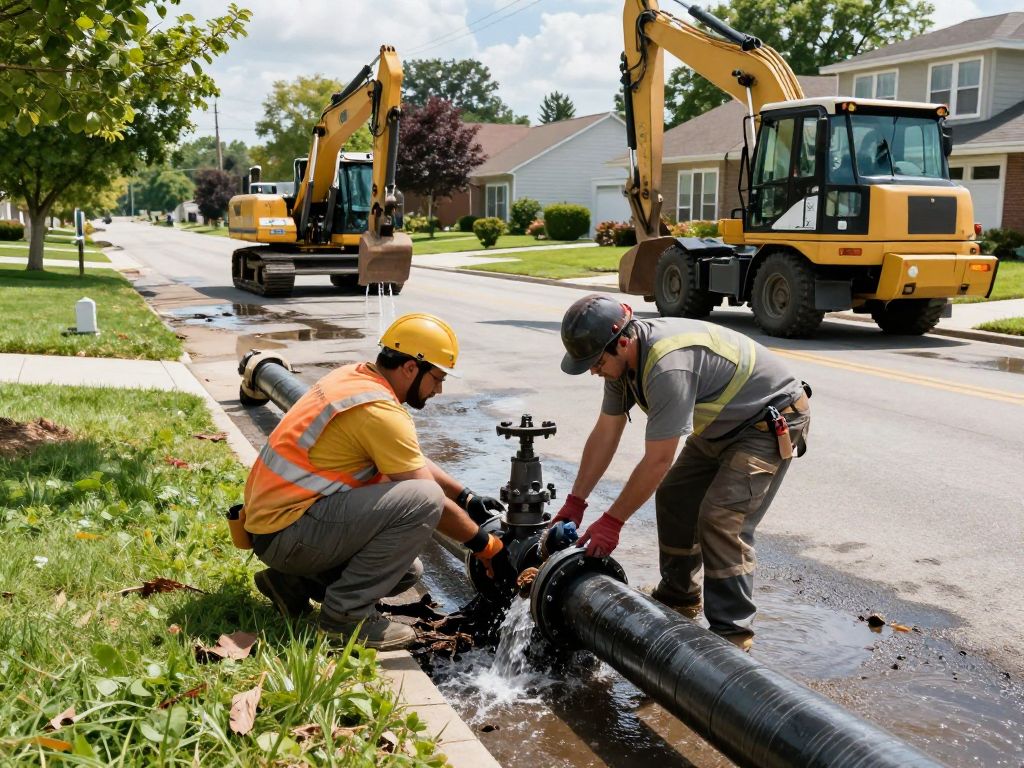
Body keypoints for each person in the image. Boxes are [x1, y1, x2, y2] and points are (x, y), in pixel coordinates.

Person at [554, 294, 811, 651]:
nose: (593, 371)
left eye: (595, 362)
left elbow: (657, 460)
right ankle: (679, 597)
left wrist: (612, 521)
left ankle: (732, 636)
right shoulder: (621, 361)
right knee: (675, 497)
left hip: (766, 422)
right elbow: (605, 432)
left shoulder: (667, 366)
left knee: (721, 518)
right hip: (722, 425)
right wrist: (575, 502)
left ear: (623, 342)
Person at [242, 313, 506, 650]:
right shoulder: (378, 412)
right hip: (288, 534)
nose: (439, 389)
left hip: (274, 529)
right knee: (424, 500)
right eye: (437, 378)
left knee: (405, 572)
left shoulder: (355, 378)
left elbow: (410, 460)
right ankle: (343, 620)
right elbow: (428, 498)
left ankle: (291, 583)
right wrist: (486, 545)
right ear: (411, 367)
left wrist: (466, 496)